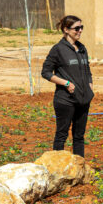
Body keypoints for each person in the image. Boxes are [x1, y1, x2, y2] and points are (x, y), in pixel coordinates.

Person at [41, 15, 94, 156]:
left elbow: (87, 69)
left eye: (81, 27)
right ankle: (57, 168)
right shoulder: (58, 49)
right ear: (66, 29)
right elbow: (45, 72)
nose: (80, 31)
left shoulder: (82, 48)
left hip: (83, 99)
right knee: (61, 135)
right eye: (77, 28)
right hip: (65, 100)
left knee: (79, 136)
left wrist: (90, 85)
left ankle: (80, 168)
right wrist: (65, 83)